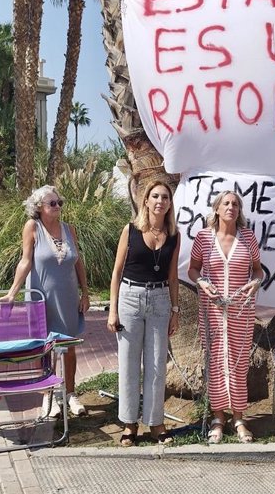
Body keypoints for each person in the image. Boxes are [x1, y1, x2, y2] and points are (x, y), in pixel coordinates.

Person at [1, 185, 90, 417]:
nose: (58, 206)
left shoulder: (69, 229)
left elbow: (78, 262)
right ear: (39, 207)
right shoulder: (33, 227)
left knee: (69, 347)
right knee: (44, 348)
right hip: (40, 297)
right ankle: (48, 395)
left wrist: (86, 293)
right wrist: (13, 292)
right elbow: (25, 261)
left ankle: (70, 393)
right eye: (52, 203)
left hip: (68, 297)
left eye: (59, 202)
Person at [107, 181, 180, 447]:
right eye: (155, 196)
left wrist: (175, 310)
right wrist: (112, 310)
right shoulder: (131, 230)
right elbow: (116, 273)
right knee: (129, 364)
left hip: (160, 300)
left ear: (169, 204)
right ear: (146, 201)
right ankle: (129, 424)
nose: (160, 201)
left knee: (157, 364)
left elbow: (172, 276)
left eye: (165, 197)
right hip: (130, 298)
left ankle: (155, 423)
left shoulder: (174, 235)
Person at [188, 190, 263, 444]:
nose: (231, 207)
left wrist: (255, 283)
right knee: (216, 363)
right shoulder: (203, 237)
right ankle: (218, 417)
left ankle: (239, 417)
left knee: (240, 363)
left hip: (241, 310)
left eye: (235, 204)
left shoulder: (248, 238)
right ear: (217, 209)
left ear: (239, 211)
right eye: (226, 203)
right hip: (212, 311)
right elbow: (192, 268)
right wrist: (201, 282)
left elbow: (258, 271)